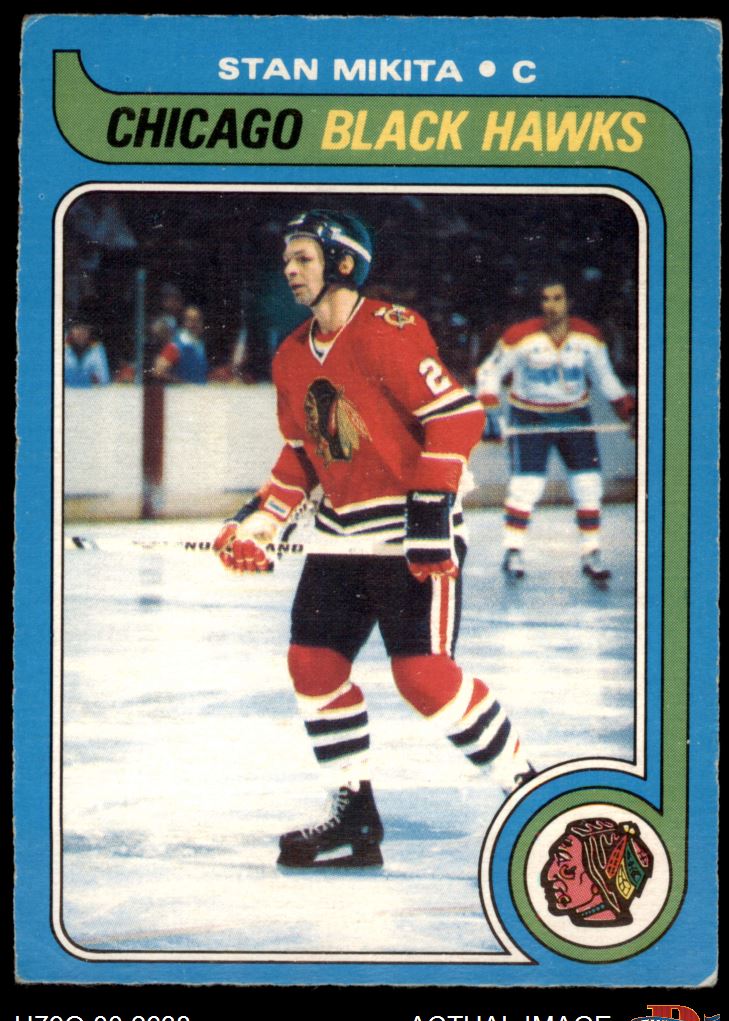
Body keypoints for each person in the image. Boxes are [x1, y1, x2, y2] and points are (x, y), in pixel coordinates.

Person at [213, 209, 536, 869]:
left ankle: (532, 796)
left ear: (342, 262)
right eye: (287, 260)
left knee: (423, 677)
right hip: (340, 534)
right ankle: (355, 818)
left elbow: (456, 416)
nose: (289, 270)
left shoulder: (389, 329)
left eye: (302, 258)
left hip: (409, 530)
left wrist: (429, 513)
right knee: (313, 665)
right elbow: (302, 455)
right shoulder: (290, 354)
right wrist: (260, 522)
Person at [475, 279, 636, 583]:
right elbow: (489, 372)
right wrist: (490, 411)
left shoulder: (589, 337)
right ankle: (513, 551)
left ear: (569, 302)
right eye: (545, 299)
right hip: (530, 417)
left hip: (575, 416)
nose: (551, 305)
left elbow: (606, 379)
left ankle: (591, 552)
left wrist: (630, 412)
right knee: (527, 487)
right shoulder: (519, 336)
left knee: (588, 485)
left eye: (557, 298)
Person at [151, 305, 208, 384]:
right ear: (184, 322)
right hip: (182, 391)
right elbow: (158, 372)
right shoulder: (177, 345)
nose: (194, 324)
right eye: (190, 320)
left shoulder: (199, 344)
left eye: (197, 320)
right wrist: (182, 383)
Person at [63, 321, 111, 387]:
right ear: (71, 331)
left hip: (90, 391)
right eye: (77, 328)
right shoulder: (63, 348)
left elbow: (104, 379)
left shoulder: (97, 349)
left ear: (89, 331)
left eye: (84, 329)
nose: (81, 332)